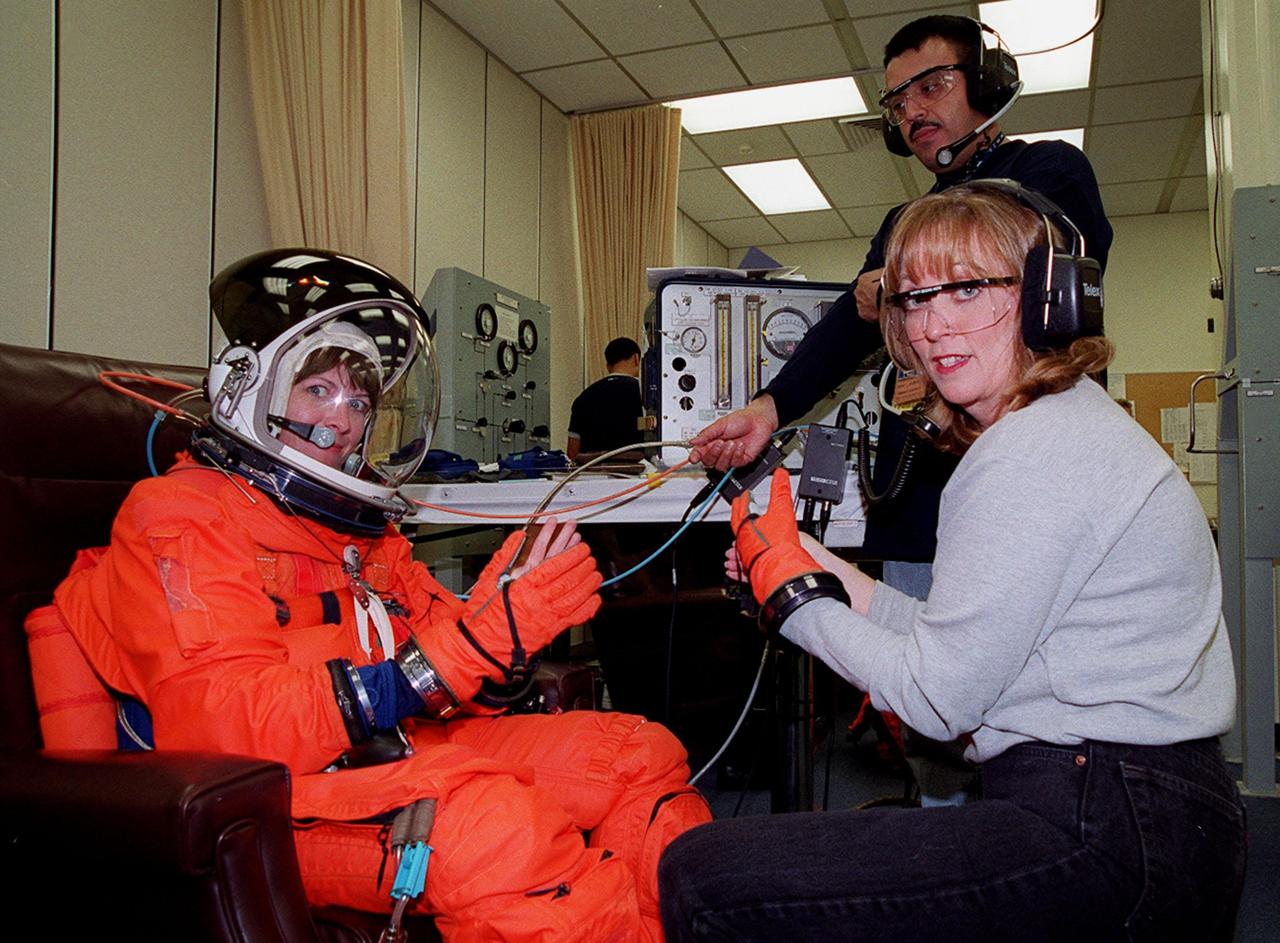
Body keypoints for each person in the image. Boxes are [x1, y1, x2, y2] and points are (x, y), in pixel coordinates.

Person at [47, 249, 709, 942]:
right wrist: (451, 654)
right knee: (497, 832)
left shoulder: (363, 535)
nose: (344, 420)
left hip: (399, 753)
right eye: (319, 390)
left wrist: (503, 636)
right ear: (252, 390)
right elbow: (226, 727)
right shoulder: (181, 515)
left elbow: (452, 667)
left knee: (641, 754)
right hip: (287, 798)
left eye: (360, 400)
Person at [658, 184, 1246, 942]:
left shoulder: (1030, 452)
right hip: (1150, 812)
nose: (933, 325)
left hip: (1113, 830)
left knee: (704, 876)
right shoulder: (1057, 426)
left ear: (1045, 301)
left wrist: (791, 598)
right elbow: (955, 638)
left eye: (968, 288)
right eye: (914, 298)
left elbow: (938, 701)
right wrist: (825, 570)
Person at [692, 13, 1112, 569]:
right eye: (898, 102)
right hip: (918, 505)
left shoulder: (1050, 170)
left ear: (986, 85)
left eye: (931, 87)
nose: (912, 111)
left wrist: (897, 285)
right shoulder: (902, 221)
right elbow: (850, 322)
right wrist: (769, 409)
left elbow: (1020, 250)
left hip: (1030, 494)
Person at [567, 335, 644, 460]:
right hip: (636, 472)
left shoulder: (584, 397)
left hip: (593, 474)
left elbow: (572, 452)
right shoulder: (643, 393)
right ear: (636, 358)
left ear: (608, 366)